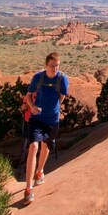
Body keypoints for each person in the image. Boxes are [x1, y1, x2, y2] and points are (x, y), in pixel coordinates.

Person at [23, 52, 69, 204]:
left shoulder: (62, 79)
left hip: (52, 120)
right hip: (37, 118)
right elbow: (28, 95)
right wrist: (32, 106)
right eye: (52, 66)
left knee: (46, 145)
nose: (55, 69)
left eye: (57, 66)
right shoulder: (38, 77)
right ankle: (28, 188)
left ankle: (40, 171)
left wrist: (55, 108)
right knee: (33, 146)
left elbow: (62, 95)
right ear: (46, 65)